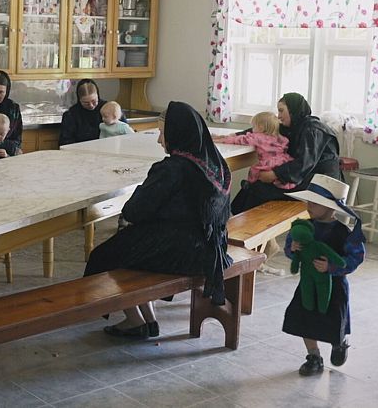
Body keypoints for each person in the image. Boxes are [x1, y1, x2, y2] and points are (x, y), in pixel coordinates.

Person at [84, 101, 232, 338]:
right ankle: (149, 320)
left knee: (105, 256)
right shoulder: (215, 164)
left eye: (162, 133)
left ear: (177, 133)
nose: (159, 140)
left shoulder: (172, 168)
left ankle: (134, 320)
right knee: (130, 249)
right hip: (210, 246)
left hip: (180, 250)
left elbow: (134, 211)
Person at [282, 174, 365, 376]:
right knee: (305, 319)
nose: (309, 205)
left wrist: (332, 267)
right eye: (309, 201)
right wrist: (293, 249)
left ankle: (339, 343)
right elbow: (289, 249)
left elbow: (355, 258)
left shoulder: (344, 233)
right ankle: (314, 356)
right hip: (308, 284)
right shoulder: (303, 227)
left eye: (315, 202)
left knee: (334, 320)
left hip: (334, 288)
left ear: (330, 207)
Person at [230, 92, 341, 215]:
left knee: (258, 188)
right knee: (255, 186)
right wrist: (235, 136)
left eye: (282, 111)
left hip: (321, 184)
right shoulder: (294, 125)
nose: (279, 116)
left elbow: (303, 164)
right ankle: (241, 222)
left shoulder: (313, 129)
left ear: (293, 110)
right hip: (305, 178)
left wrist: (275, 174)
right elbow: (263, 130)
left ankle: (246, 228)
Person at [213, 111, 295, 190]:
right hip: (282, 162)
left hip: (267, 164)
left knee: (254, 170)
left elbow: (240, 139)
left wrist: (221, 139)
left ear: (261, 127)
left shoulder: (257, 137)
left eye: (254, 127)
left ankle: (250, 184)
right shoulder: (280, 138)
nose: (252, 129)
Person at [59, 79, 127, 146]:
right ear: (79, 100)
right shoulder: (71, 115)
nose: (91, 105)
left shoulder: (110, 108)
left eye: (94, 101)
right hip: (81, 152)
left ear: (98, 95)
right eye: (86, 103)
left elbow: (125, 132)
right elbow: (65, 142)